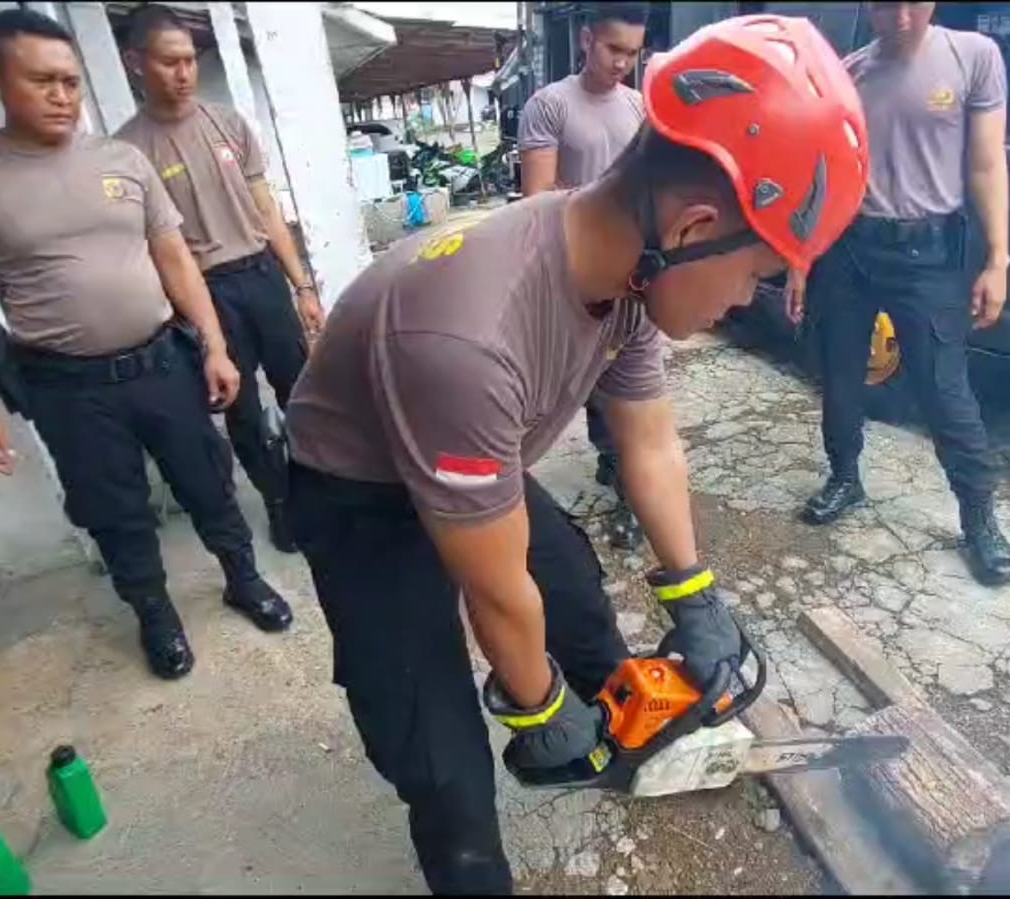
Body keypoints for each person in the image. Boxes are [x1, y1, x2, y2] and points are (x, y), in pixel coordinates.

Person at [286, 14, 868, 894]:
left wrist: (693, 591)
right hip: (361, 489)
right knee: (435, 741)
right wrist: (535, 704)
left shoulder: (626, 273)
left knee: (571, 587)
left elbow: (647, 439)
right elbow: (491, 586)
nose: (746, 301)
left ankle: (618, 730)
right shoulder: (467, 334)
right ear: (694, 223)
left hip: (472, 447)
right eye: (754, 274)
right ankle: (474, 860)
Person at [0, 9, 293, 682]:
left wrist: (213, 344)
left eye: (69, 81)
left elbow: (174, 258)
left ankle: (243, 579)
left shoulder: (122, 161)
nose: (62, 95)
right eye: (41, 81)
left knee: (208, 482)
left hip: (162, 362)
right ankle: (156, 615)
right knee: (114, 511)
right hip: (68, 386)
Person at [790, 0, 1010, 586]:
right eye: (885, 4)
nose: (900, 16)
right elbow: (824, 174)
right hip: (848, 250)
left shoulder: (973, 57)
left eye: (912, 2)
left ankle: (979, 520)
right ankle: (845, 477)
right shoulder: (849, 73)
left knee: (944, 391)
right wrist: (800, 259)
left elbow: (987, 164)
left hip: (929, 256)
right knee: (839, 376)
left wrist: (998, 258)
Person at [114, 4, 324, 554]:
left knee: (302, 391)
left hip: (261, 277)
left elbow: (267, 209)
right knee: (242, 409)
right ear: (135, 63)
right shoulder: (128, 152)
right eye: (168, 62)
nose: (183, 73)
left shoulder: (227, 124)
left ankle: (322, 488)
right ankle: (279, 502)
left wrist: (301, 286)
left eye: (188, 61)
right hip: (204, 293)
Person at [517, 3, 649, 550]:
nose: (622, 63)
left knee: (628, 388)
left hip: (635, 273)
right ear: (587, 39)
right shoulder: (549, 106)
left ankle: (628, 491)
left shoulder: (640, 107)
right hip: (576, 274)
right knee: (581, 382)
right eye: (613, 49)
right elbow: (538, 205)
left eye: (632, 54)